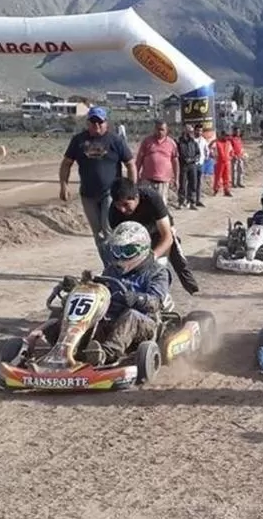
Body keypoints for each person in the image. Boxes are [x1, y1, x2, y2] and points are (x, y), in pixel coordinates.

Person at [27, 222, 171, 367]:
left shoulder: (157, 272)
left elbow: (156, 302)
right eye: (117, 250)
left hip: (144, 323)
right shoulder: (112, 270)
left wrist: (137, 298)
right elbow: (97, 289)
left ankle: (106, 354)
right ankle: (54, 346)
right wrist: (77, 286)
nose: (121, 256)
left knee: (131, 315)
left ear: (142, 249)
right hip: (111, 319)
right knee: (74, 312)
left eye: (127, 251)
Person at [60, 106, 136, 264]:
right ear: (88, 123)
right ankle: (109, 265)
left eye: (100, 122)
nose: (96, 126)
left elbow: (130, 164)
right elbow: (66, 163)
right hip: (88, 194)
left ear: (106, 123)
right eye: (93, 122)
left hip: (111, 193)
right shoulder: (78, 141)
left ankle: (118, 264)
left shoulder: (115, 141)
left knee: (108, 230)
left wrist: (131, 190)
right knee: (98, 234)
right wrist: (64, 186)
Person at [108, 177, 199, 295]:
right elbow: (119, 243)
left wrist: (151, 257)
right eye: (118, 205)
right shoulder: (114, 213)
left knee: (176, 260)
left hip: (158, 229)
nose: (122, 209)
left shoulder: (152, 198)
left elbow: (167, 237)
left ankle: (192, 289)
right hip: (134, 237)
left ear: (136, 197)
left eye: (126, 204)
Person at [135, 119, 179, 205]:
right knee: (146, 205)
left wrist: (176, 179)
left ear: (166, 130)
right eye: (157, 129)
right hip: (147, 181)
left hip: (163, 182)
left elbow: (175, 162)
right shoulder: (147, 141)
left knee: (160, 206)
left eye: (162, 129)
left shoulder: (171, 143)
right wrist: (136, 176)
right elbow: (139, 160)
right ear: (154, 129)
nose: (159, 131)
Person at [176, 123, 202, 210]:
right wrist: (183, 160)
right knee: (182, 184)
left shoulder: (193, 142)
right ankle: (181, 202)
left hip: (192, 166)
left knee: (193, 184)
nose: (191, 133)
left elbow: (198, 154)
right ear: (184, 131)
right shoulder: (179, 142)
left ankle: (192, 202)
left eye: (191, 131)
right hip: (183, 166)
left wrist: (192, 159)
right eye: (189, 131)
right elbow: (176, 154)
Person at [210, 130, 234, 197]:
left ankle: (227, 190)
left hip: (227, 162)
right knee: (218, 177)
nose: (227, 137)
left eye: (228, 136)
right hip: (219, 163)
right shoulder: (216, 143)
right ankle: (216, 190)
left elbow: (231, 151)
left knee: (227, 177)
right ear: (222, 135)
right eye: (226, 136)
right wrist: (213, 156)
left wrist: (231, 157)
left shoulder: (229, 143)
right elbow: (211, 149)